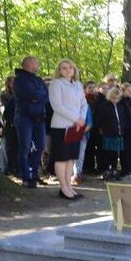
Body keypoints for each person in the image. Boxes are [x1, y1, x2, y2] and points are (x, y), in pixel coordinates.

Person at [48, 59, 88, 200]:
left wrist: (82, 119)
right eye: (64, 68)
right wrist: (77, 119)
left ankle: (70, 187)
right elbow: (57, 106)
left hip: (76, 127)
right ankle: (63, 187)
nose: (68, 70)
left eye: (70, 67)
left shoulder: (78, 84)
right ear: (59, 71)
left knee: (71, 158)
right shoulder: (56, 84)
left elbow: (84, 104)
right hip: (61, 126)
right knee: (61, 158)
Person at [13, 56, 49, 189]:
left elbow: (45, 96)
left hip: (39, 118)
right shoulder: (19, 80)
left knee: (40, 146)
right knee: (25, 147)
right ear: (29, 64)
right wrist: (37, 96)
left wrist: (37, 97)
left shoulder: (39, 80)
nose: (38, 64)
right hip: (24, 118)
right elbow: (30, 95)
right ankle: (26, 177)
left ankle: (34, 174)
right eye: (36, 62)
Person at [95, 87, 131, 179]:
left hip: (118, 133)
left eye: (117, 98)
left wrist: (123, 129)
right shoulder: (104, 106)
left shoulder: (120, 106)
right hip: (108, 133)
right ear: (109, 97)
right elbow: (100, 119)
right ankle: (108, 172)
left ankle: (114, 171)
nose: (115, 100)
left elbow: (123, 119)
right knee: (108, 154)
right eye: (113, 98)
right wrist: (101, 128)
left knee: (115, 154)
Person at [0, 76, 18, 177]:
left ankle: (14, 168)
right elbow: (5, 109)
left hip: (17, 122)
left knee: (15, 146)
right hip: (7, 122)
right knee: (6, 146)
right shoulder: (4, 94)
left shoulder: (18, 93)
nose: (13, 83)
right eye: (11, 82)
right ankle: (6, 168)